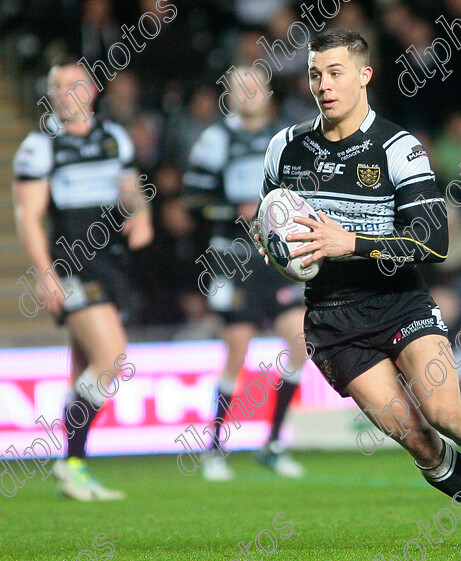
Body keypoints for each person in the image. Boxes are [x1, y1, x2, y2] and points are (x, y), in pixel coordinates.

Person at [254, 29, 461, 548]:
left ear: (364, 76)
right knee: (418, 442)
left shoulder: (397, 148)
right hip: (333, 321)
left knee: (446, 413)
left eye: (335, 72)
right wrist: (274, 251)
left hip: (399, 302)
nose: (323, 84)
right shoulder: (284, 148)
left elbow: (434, 242)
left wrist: (349, 243)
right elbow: (269, 222)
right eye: (315, 74)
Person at [12, 56, 154, 500]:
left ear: (92, 91)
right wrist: (44, 274)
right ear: (51, 95)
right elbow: (28, 216)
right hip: (72, 265)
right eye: (57, 87)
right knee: (112, 359)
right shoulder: (41, 147)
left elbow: (130, 188)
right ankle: (69, 462)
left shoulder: (113, 138)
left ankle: (75, 466)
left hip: (112, 263)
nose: (65, 94)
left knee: (82, 369)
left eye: (74, 84)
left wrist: (141, 213)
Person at [182, 68, 308, 481]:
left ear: (268, 93)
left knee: (301, 342)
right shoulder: (217, 138)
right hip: (232, 257)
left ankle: (272, 444)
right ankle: (214, 450)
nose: (249, 95)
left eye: (255, 87)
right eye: (241, 88)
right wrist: (229, 210)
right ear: (231, 96)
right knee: (237, 349)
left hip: (276, 257)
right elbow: (192, 197)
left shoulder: (285, 137)